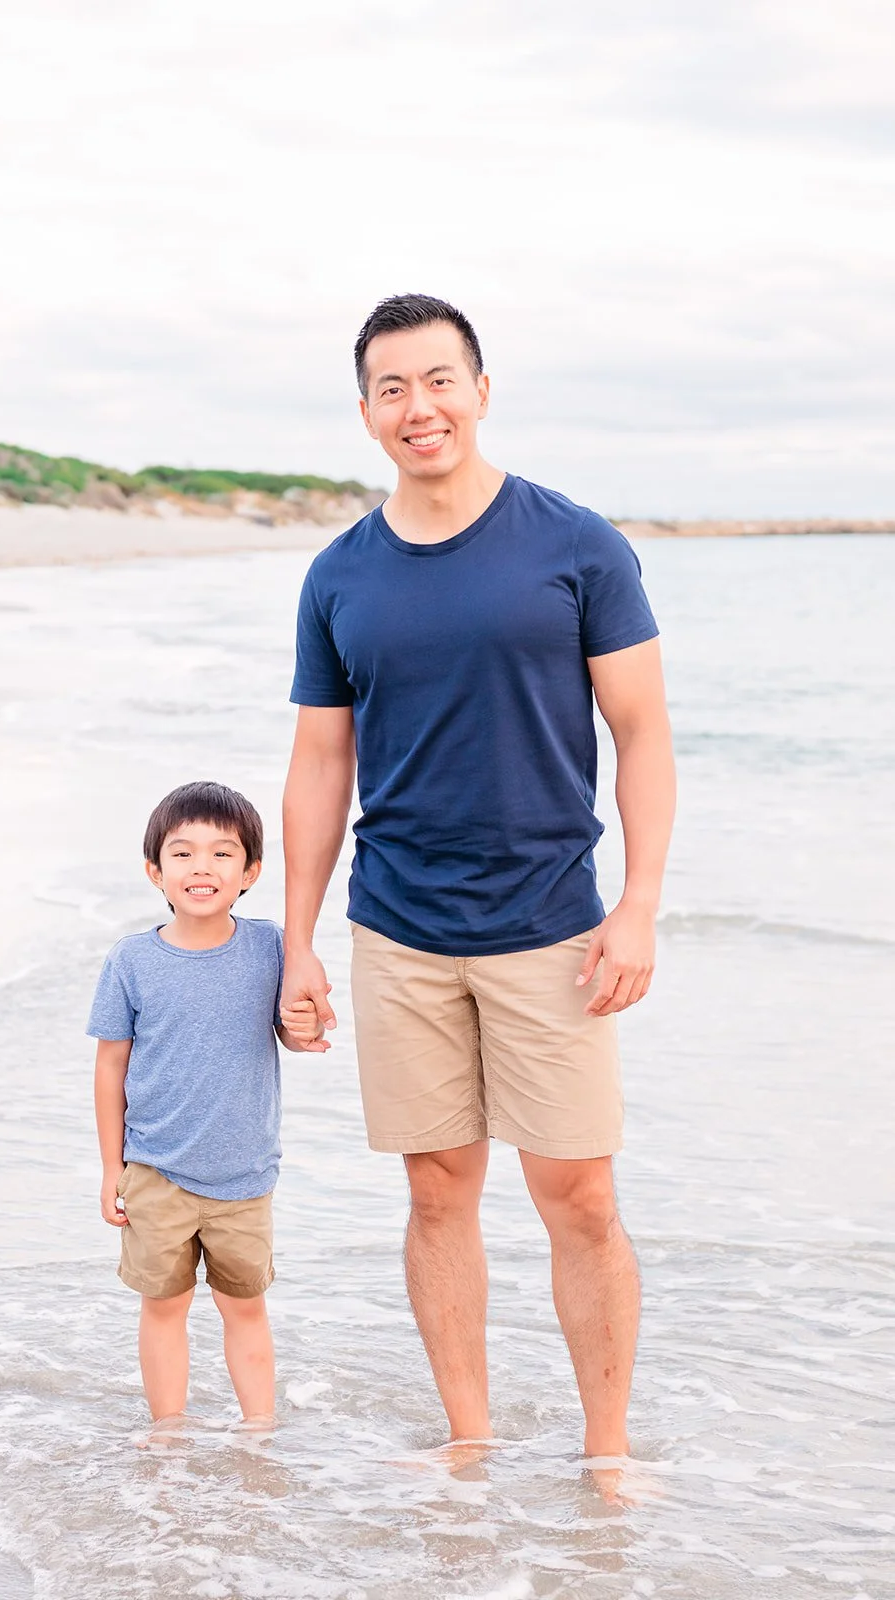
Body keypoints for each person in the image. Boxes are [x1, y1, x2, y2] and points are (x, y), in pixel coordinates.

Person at [282, 293, 676, 1459]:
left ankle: (607, 1453)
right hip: (399, 930)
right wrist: (297, 940)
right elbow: (318, 762)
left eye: (439, 380)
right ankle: (471, 1442)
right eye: (393, 388)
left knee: (581, 1198)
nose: (420, 407)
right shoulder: (339, 574)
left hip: (552, 925)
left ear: (482, 389)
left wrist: (639, 905)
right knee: (438, 1193)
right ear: (365, 414)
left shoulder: (576, 545)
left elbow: (642, 732)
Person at [88, 780, 322, 1434]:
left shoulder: (271, 947)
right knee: (164, 1307)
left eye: (223, 854)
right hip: (155, 1171)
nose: (202, 868)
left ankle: (260, 1432)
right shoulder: (132, 960)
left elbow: (292, 1030)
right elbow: (111, 1067)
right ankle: (169, 1435)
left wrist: (306, 1033)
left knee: (245, 1307)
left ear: (250, 871)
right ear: (154, 871)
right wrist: (113, 1169)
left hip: (245, 1176)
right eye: (183, 853)